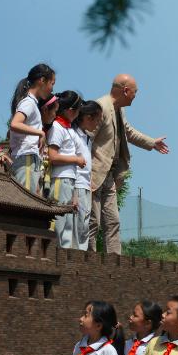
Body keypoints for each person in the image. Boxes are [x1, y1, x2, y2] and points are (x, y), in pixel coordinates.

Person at [89, 74, 169, 254]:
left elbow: (129, 132)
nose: (135, 96)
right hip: (93, 174)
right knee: (92, 221)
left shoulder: (118, 110)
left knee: (112, 221)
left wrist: (151, 142)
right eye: (135, 92)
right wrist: (82, 171)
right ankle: (89, 262)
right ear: (125, 91)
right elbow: (86, 139)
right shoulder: (100, 107)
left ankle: (116, 265)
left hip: (109, 175)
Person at [8, 64, 54, 195]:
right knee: (25, 203)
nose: (52, 88)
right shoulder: (28, 102)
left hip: (28, 159)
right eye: (52, 83)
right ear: (42, 80)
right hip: (26, 159)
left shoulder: (32, 102)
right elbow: (15, 123)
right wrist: (39, 132)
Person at [47, 91, 84, 249]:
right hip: (59, 179)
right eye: (77, 110)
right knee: (58, 224)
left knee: (68, 224)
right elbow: (53, 156)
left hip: (70, 180)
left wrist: (75, 194)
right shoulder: (57, 127)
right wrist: (76, 159)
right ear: (70, 110)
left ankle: (64, 261)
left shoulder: (68, 129)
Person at [72, 100, 100, 251]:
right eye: (97, 119)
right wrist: (74, 193)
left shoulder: (87, 138)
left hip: (86, 186)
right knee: (77, 227)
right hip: (77, 186)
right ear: (88, 117)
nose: (98, 124)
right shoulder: (73, 134)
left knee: (84, 227)